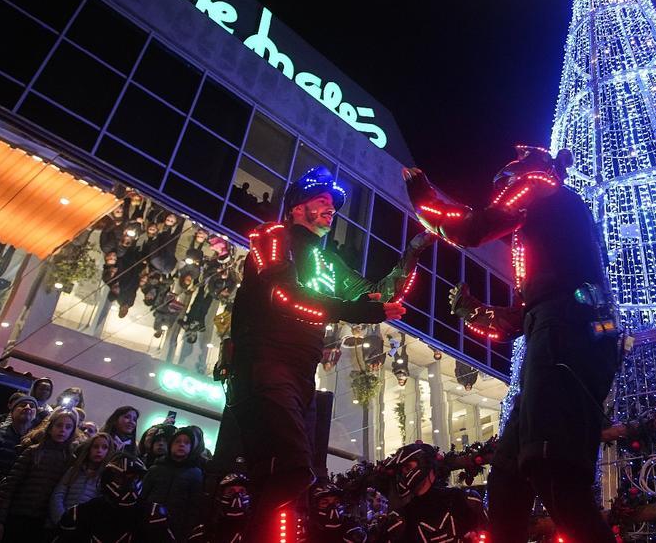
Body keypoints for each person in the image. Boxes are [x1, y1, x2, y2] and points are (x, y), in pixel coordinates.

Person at [403, 146, 621, 542]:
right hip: (571, 331)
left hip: (567, 334)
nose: (503, 189)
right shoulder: (551, 234)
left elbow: (471, 227)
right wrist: (477, 312)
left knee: (550, 465)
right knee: (508, 474)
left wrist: (423, 197)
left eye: (505, 179)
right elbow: (525, 316)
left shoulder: (536, 186)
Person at [213, 166, 431, 536]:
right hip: (264, 362)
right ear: (298, 207)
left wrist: (412, 253)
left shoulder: (330, 263)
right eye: (322, 201)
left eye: (334, 205)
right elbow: (285, 297)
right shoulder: (273, 237)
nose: (331, 209)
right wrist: (363, 310)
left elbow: (379, 293)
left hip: (301, 373)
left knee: (278, 476)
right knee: (295, 470)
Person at [0, 408, 78, 542]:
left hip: (42, 521)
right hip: (17, 515)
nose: (63, 430)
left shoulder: (70, 459)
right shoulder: (33, 452)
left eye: (68, 427)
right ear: (50, 427)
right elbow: (9, 487)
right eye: (59, 425)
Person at [53, 455, 174, 543]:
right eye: (120, 478)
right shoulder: (81, 513)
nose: (129, 484)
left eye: (134, 478)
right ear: (107, 478)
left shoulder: (153, 515)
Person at [379, 443, 486, 541]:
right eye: (401, 471)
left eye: (408, 467)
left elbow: (488, 533)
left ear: (425, 464)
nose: (403, 475)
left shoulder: (464, 500)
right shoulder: (402, 519)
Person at [142, 425, 205, 540]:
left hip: (175, 528)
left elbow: (194, 505)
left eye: (187, 442)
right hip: (148, 522)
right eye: (177, 441)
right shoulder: (156, 468)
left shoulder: (195, 473)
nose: (182, 444)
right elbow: (143, 495)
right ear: (170, 445)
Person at [49, 432, 112, 526]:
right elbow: (58, 494)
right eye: (95, 446)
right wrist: (61, 518)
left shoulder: (106, 476)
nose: (99, 450)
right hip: (62, 520)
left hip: (85, 526)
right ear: (89, 449)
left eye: (104, 447)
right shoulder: (74, 470)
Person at [188, 467, 251, 543]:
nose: (237, 496)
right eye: (231, 492)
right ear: (220, 495)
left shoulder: (258, 531)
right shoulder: (202, 534)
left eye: (242, 491)